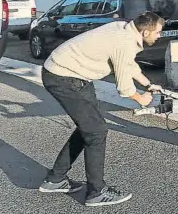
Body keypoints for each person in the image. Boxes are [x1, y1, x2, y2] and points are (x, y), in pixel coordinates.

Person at [38, 12, 165, 206]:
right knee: (96, 130)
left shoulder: (126, 30)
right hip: (62, 76)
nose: (159, 36)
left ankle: (55, 179)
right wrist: (140, 98)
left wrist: (148, 84)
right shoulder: (125, 42)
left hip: (76, 75)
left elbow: (127, 64)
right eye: (157, 32)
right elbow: (124, 87)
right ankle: (97, 192)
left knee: (89, 127)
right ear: (145, 31)